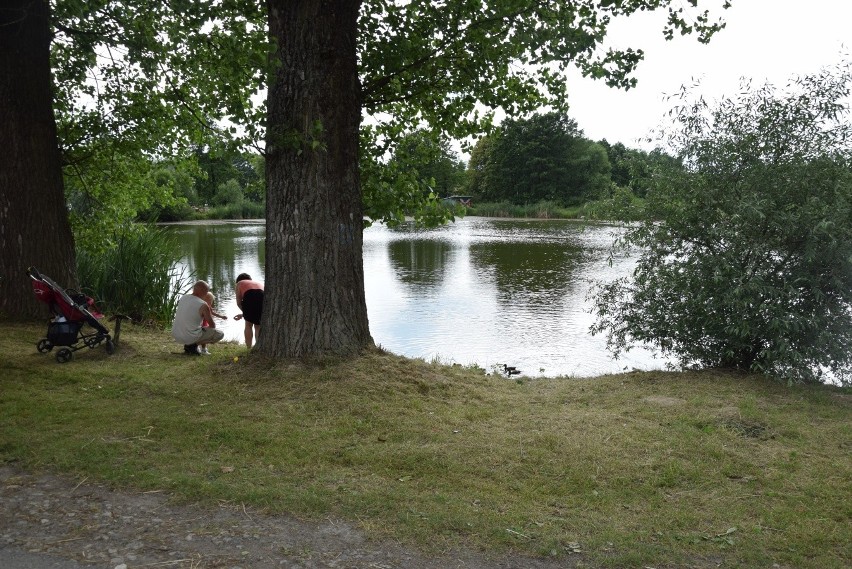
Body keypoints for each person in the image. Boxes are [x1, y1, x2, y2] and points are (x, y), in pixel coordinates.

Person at [172, 280, 224, 355]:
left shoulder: (183, 298)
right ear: (202, 291)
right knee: (220, 334)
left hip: (176, 335)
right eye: (206, 291)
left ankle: (189, 345)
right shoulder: (203, 304)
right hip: (190, 336)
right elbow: (212, 325)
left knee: (194, 329)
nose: (206, 293)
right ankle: (193, 345)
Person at [233, 272, 263, 348]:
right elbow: (256, 305)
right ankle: (258, 347)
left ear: (238, 280)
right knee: (258, 325)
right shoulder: (257, 283)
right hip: (262, 296)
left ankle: (248, 348)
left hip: (250, 296)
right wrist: (244, 314)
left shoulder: (239, 283)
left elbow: (239, 302)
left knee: (248, 324)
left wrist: (245, 313)